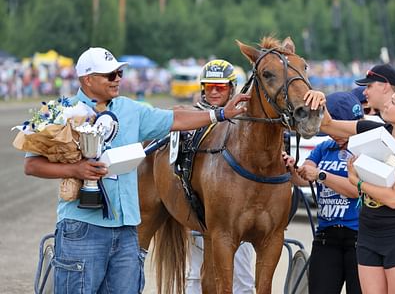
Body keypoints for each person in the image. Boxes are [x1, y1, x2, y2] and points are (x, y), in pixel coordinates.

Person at [23, 47, 249, 294]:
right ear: (88, 79)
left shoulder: (132, 110)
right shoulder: (58, 111)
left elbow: (177, 120)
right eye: (110, 75)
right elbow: (31, 165)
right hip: (82, 228)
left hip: (127, 231)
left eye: (119, 73)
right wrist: (76, 169)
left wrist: (220, 114)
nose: (118, 79)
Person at [309, 83, 395, 294]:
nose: (386, 102)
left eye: (393, 101)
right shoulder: (375, 131)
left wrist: (357, 182)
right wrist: (319, 100)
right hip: (368, 234)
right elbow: (328, 125)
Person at [186, 59, 255, 294]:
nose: (214, 91)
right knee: (196, 276)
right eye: (209, 86)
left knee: (244, 280)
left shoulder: (246, 122)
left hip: (239, 217)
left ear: (232, 88)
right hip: (200, 212)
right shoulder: (194, 117)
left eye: (221, 87)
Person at [283, 92, 363, 294]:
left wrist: (321, 175)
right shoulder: (324, 148)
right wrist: (291, 168)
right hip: (326, 238)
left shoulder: (365, 149)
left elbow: (356, 190)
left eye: (333, 127)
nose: (330, 134)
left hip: (359, 239)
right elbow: (304, 177)